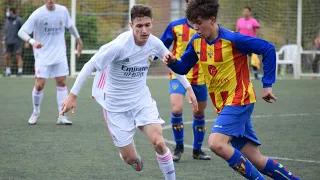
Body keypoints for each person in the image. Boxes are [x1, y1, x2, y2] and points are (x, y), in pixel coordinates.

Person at [164, 0, 300, 179]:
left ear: (212, 20)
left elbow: (267, 48)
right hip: (224, 105)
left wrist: (267, 85)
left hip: (239, 99)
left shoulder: (234, 40)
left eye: (199, 22)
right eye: (193, 23)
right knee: (256, 159)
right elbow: (183, 68)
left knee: (216, 143)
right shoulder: (196, 42)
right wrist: (173, 62)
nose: (195, 27)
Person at [60, 4, 198, 180]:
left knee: (159, 143)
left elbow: (173, 64)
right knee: (130, 158)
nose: (144, 30)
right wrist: (73, 95)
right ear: (131, 25)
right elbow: (90, 65)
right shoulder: (119, 46)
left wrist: (188, 88)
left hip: (141, 101)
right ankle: (130, 156)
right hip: (115, 105)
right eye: (139, 26)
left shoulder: (155, 43)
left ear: (152, 24)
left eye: (147, 25)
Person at [160, 0, 210, 162]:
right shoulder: (175, 26)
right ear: (187, 4)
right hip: (178, 74)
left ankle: (197, 150)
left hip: (200, 77)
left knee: (199, 112)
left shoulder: (207, 27)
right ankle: (179, 147)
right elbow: (160, 47)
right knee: (177, 108)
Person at [18, 0, 83, 125]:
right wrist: (33, 42)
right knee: (39, 85)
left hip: (60, 54)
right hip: (42, 55)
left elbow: (70, 26)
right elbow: (21, 32)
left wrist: (78, 40)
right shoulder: (38, 14)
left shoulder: (62, 11)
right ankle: (36, 112)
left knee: (61, 82)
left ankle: (61, 115)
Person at [236, 7, 260, 80]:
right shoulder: (240, 21)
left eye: (247, 11)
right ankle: (239, 74)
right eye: (244, 11)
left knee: (253, 58)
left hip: (251, 43)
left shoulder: (253, 21)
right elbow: (237, 31)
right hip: (241, 43)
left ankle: (255, 74)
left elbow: (256, 31)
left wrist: (255, 40)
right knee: (240, 58)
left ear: (249, 12)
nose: (245, 13)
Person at [2, 7, 25, 77]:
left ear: (12, 12)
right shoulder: (7, 21)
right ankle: (8, 71)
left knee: (18, 56)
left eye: (8, 11)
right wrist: (3, 39)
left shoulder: (19, 20)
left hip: (16, 42)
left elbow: (25, 29)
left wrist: (26, 41)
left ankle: (20, 71)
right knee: (7, 56)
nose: (7, 12)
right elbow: (5, 31)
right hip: (8, 42)